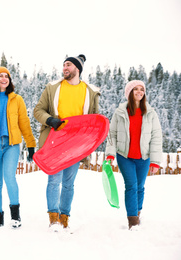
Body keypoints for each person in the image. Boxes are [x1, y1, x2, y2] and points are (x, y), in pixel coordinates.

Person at [33, 54, 100, 231]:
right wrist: (50, 120)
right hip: (55, 140)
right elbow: (38, 110)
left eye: (68, 65)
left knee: (69, 184)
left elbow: (94, 120)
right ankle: (53, 218)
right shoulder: (53, 88)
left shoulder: (89, 92)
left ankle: (64, 218)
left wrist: (89, 143)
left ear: (78, 69)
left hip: (76, 144)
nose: (65, 68)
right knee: (54, 180)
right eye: (63, 65)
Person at [0, 66, 36, 228]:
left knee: (10, 177)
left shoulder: (17, 100)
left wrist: (30, 145)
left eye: (6, 76)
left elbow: (24, 123)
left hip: (11, 145)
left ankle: (15, 216)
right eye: (0, 76)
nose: (4, 79)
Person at [105, 80, 162, 230]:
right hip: (125, 157)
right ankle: (133, 221)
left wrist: (155, 161)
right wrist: (110, 154)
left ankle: (137, 212)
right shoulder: (120, 112)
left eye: (141, 89)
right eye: (135, 89)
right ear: (129, 92)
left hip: (144, 157)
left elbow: (156, 137)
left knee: (140, 187)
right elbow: (112, 134)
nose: (139, 92)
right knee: (131, 186)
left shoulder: (150, 113)